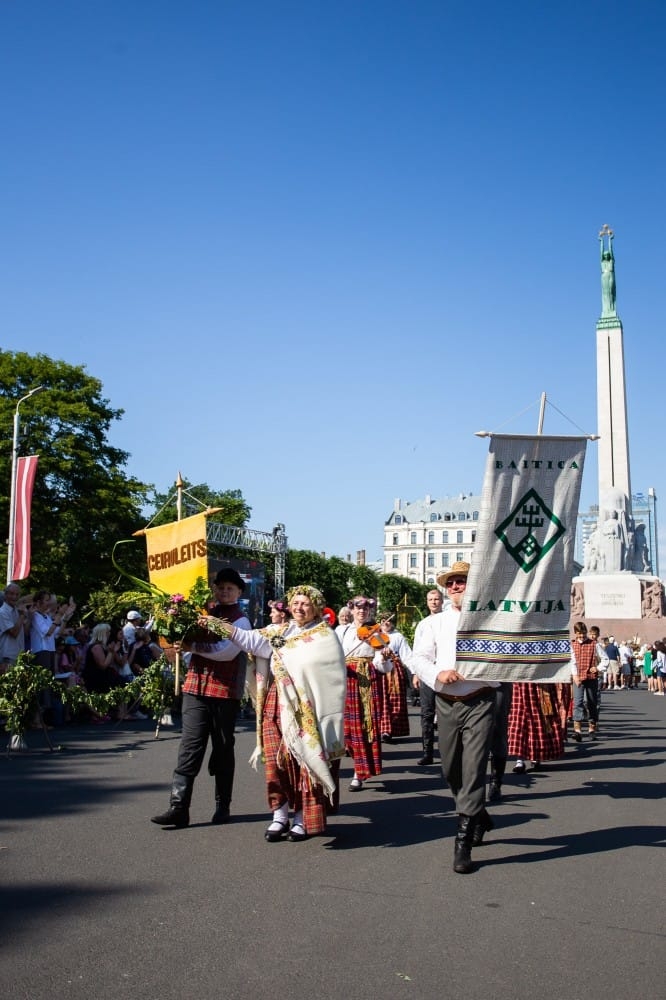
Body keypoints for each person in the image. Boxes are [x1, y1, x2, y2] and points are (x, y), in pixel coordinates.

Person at [214, 584, 346, 841]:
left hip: (305, 708)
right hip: (277, 702)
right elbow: (251, 640)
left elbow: (329, 678)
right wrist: (217, 625)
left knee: (300, 761)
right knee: (275, 761)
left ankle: (300, 817)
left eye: (305, 603)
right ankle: (279, 814)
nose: (299, 607)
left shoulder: (325, 637)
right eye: (295, 603)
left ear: (316, 607)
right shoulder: (280, 631)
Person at [411, 561, 499, 874]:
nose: (455, 587)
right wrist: (439, 672)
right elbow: (418, 659)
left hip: (480, 701)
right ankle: (479, 815)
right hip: (447, 702)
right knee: (451, 770)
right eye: (451, 583)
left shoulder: (491, 618)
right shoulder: (433, 623)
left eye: (461, 581)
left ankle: (462, 842)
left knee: (474, 768)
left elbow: (506, 655)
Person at [151, 568, 251, 828]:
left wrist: (191, 647)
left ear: (239, 592)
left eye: (230, 588)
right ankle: (178, 807)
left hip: (224, 692)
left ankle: (223, 805)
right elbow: (186, 652)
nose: (224, 591)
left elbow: (225, 652)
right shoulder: (201, 615)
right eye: (220, 587)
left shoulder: (240, 621)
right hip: (195, 688)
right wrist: (178, 647)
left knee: (222, 747)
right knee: (189, 747)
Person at [336, 595, 391, 792]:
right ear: (351, 610)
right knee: (347, 728)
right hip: (345, 678)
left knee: (366, 725)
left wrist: (383, 658)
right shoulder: (341, 631)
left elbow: (383, 666)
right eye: (358, 609)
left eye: (366, 609)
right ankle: (356, 765)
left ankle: (358, 773)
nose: (362, 612)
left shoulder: (375, 632)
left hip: (366, 679)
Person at [411, 588, 443, 763]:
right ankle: (427, 751)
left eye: (436, 599)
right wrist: (416, 673)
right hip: (426, 672)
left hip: (444, 671)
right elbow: (417, 650)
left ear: (441, 600)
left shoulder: (447, 621)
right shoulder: (423, 624)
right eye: (431, 599)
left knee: (447, 713)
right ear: (427, 602)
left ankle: (448, 751)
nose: (434, 602)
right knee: (427, 713)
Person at [377, 616, 411, 742]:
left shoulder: (398, 636)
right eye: (383, 621)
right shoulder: (375, 635)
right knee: (380, 700)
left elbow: (406, 655)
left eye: (389, 621)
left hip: (395, 669)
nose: (386, 623)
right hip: (379, 668)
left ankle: (390, 729)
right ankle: (381, 729)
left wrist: (415, 672)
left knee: (395, 700)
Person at [570, 622, 600, 741]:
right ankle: (577, 730)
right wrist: (575, 676)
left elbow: (605, 659)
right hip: (578, 678)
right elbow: (572, 661)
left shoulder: (594, 644)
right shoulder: (572, 644)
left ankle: (592, 727)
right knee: (577, 702)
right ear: (575, 633)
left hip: (591, 677)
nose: (581, 636)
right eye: (579, 634)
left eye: (583, 633)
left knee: (591, 702)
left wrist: (598, 668)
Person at [0, 583, 29, 670]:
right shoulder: (2, 612)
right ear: (5, 595)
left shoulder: (17, 611)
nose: (14, 597)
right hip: (7, 657)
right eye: (11, 594)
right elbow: (14, 632)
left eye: (17, 594)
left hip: (19, 655)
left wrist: (29, 616)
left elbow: (26, 632)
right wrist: (22, 615)